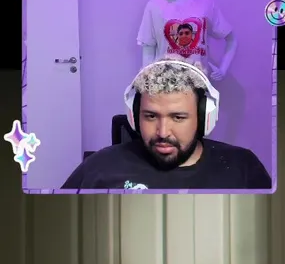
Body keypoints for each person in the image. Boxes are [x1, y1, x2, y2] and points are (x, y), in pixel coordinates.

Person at [61, 60, 272, 191]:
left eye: (178, 117)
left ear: (203, 117)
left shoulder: (242, 168)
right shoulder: (101, 167)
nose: (162, 132)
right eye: (151, 116)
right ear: (134, 116)